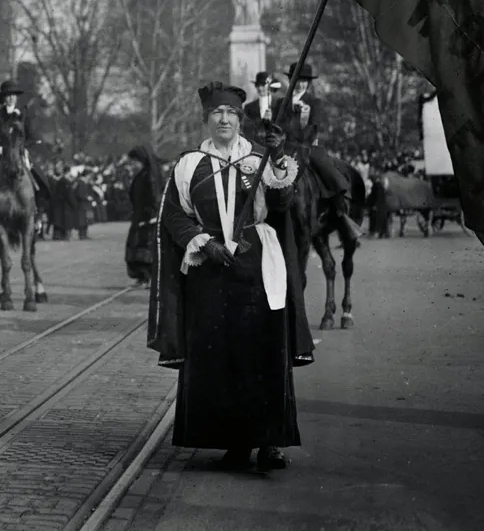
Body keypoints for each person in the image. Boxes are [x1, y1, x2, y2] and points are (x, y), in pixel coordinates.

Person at [149, 81, 314, 472]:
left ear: (241, 120)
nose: (224, 119)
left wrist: (276, 154)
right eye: (217, 114)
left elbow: (282, 202)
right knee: (220, 356)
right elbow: (174, 215)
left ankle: (271, 442)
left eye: (232, 114)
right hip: (210, 269)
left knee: (264, 351)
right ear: (206, 119)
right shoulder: (189, 164)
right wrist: (203, 243)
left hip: (257, 266)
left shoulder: (259, 160)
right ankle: (235, 442)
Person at [274, 62, 360, 243]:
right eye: (297, 80)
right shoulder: (282, 103)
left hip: (309, 147)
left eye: (304, 81)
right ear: (291, 80)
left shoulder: (315, 102)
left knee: (326, 167)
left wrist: (299, 130)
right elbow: (278, 127)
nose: (300, 84)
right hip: (287, 147)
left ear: (308, 83)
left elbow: (314, 126)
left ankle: (340, 210)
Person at [0, 81, 50, 232]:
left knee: (40, 178)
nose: (11, 98)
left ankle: (39, 215)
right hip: (1, 153)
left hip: (20, 152)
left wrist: (24, 147)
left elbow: (32, 136)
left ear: (16, 97)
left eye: (13, 95)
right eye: (7, 96)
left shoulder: (24, 114)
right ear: (3, 98)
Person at [124, 145, 163, 285]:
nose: (132, 165)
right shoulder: (139, 176)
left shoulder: (149, 177)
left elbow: (154, 199)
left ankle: (148, 277)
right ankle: (142, 277)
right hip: (139, 216)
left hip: (148, 218)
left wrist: (150, 217)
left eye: (134, 162)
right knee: (136, 247)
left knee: (146, 248)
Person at [242, 71, 280, 144]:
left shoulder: (279, 103)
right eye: (257, 85)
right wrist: (263, 120)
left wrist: (271, 119)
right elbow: (247, 130)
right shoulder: (249, 107)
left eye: (263, 85)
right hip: (257, 145)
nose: (260, 88)